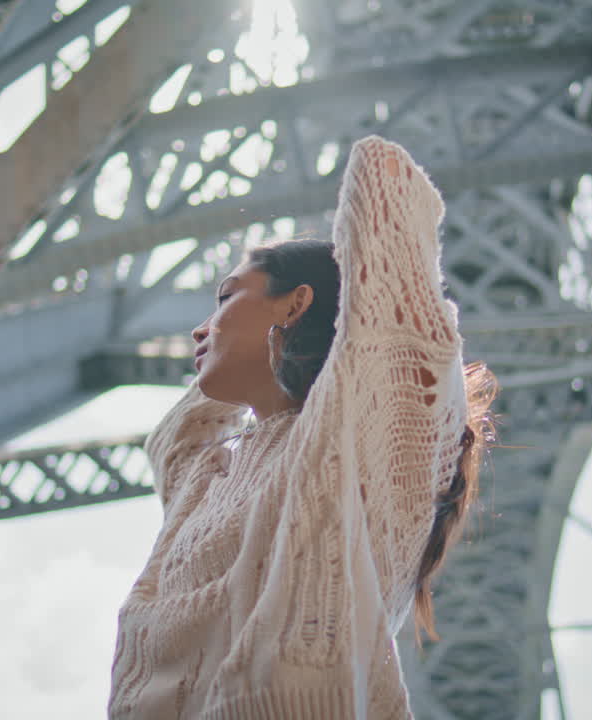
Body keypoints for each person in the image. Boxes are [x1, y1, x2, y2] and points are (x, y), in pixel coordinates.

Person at [108, 135, 498, 719]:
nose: (200, 328)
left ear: (295, 306)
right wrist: (258, 347)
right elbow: (175, 440)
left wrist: (321, 303)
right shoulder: (206, 481)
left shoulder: (357, 441)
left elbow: (384, 177)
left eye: (224, 297)